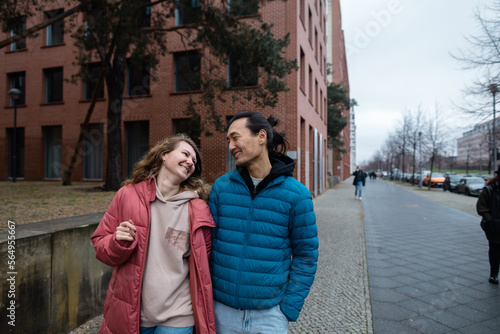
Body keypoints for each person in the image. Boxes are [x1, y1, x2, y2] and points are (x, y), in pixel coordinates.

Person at [91, 134, 216, 334]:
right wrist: (117, 242)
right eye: (185, 153)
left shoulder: (198, 208)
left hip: (179, 315)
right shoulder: (128, 195)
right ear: (164, 155)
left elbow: (204, 264)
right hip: (134, 313)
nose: (190, 162)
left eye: (194, 160)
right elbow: (100, 245)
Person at [208, 111, 318, 334]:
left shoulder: (297, 195)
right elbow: (207, 245)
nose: (231, 146)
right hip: (221, 314)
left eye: (235, 137)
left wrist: (287, 308)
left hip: (270, 317)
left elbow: (306, 255)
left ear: (261, 137)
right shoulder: (221, 188)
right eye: (228, 140)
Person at [476, 166, 500, 285]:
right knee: (495, 251)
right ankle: (494, 274)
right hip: (495, 227)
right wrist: (491, 220)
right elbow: (481, 208)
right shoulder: (490, 189)